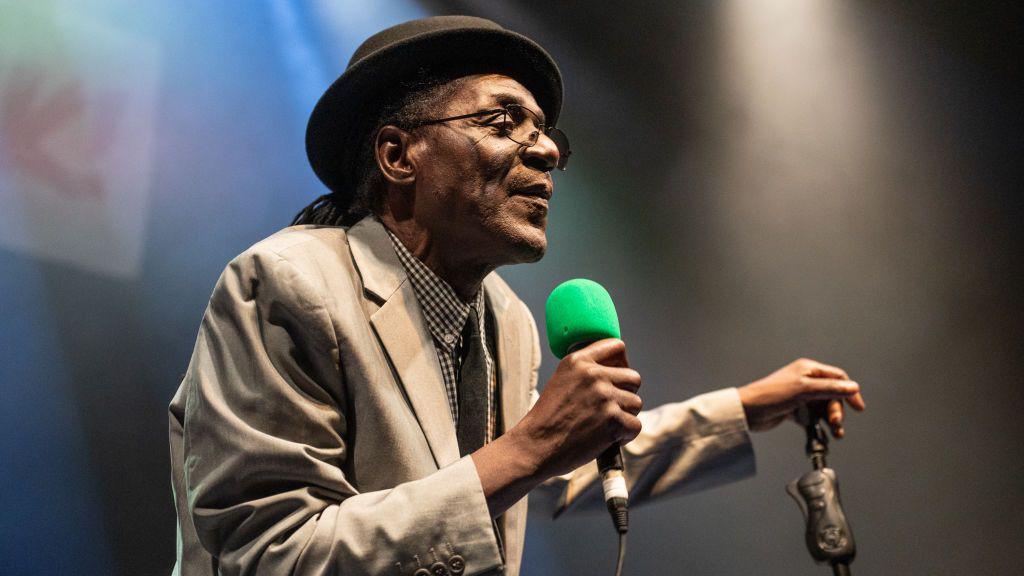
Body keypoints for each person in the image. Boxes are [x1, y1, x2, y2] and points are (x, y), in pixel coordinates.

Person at [168, 15, 866, 576]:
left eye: (546, 134)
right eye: (503, 123)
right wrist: (529, 448)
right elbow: (269, 556)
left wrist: (744, 409)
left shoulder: (505, 317)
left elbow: (550, 467)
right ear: (397, 156)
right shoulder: (287, 283)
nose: (547, 153)